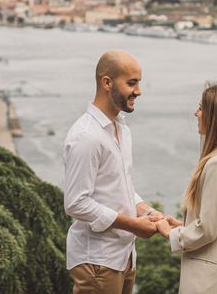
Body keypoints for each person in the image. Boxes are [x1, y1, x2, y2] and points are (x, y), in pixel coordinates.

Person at [63, 50, 163, 294]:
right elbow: (75, 203)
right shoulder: (86, 136)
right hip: (97, 260)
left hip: (123, 255)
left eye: (138, 82)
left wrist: (150, 213)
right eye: (131, 83)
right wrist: (133, 225)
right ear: (106, 83)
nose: (138, 91)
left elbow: (120, 187)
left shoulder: (121, 128)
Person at [155, 82, 217, 294]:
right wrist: (182, 225)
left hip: (211, 281)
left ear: (215, 117)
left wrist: (171, 234)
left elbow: (207, 229)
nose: (196, 113)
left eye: (202, 108)